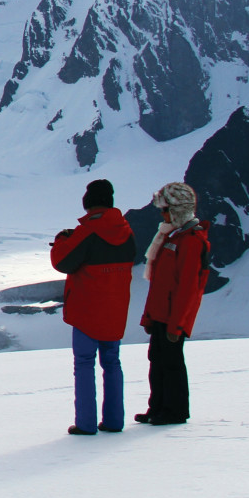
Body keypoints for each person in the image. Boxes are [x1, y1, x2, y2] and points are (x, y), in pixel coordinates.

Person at [50, 178, 136, 435]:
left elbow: (62, 261)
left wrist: (61, 239)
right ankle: (114, 421)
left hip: (87, 310)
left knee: (84, 363)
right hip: (115, 309)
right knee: (112, 363)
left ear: (88, 203)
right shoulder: (127, 232)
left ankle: (86, 423)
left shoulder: (88, 232)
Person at [136, 182, 212, 426]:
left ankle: (175, 410)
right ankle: (158, 407)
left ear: (178, 209)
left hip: (171, 318)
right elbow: (160, 284)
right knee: (157, 359)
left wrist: (176, 324)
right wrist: (149, 316)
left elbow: (188, 288)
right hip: (161, 314)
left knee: (171, 362)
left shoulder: (191, 241)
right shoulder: (175, 236)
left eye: (166, 209)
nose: (162, 214)